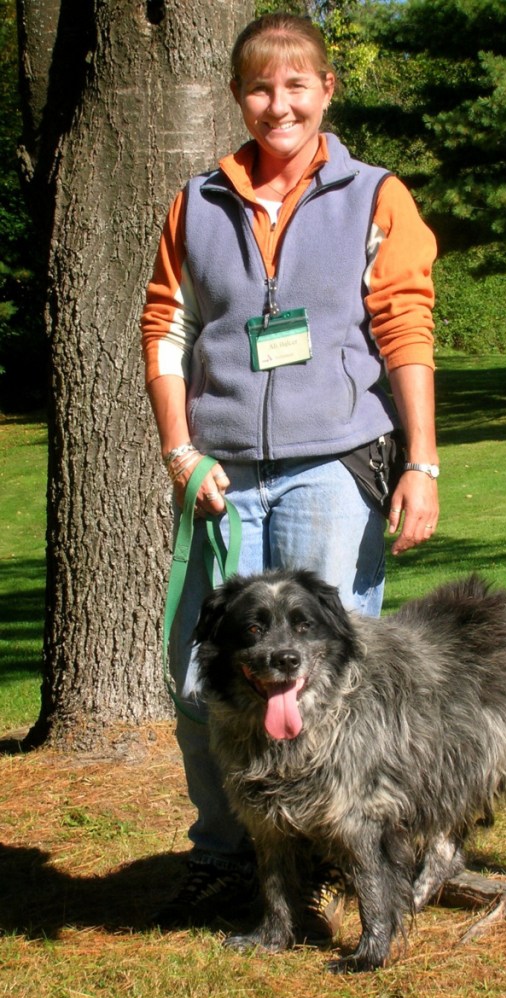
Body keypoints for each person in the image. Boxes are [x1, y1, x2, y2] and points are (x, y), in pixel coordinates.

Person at [140, 12, 439, 934]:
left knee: (331, 685)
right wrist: (181, 451)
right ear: (239, 96)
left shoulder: (377, 195)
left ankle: (348, 847)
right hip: (224, 477)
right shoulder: (197, 201)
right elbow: (166, 329)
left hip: (333, 466)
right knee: (204, 686)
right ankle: (227, 857)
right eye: (262, 88)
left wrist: (421, 461)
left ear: (326, 91)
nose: (281, 104)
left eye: (298, 85)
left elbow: (406, 330)